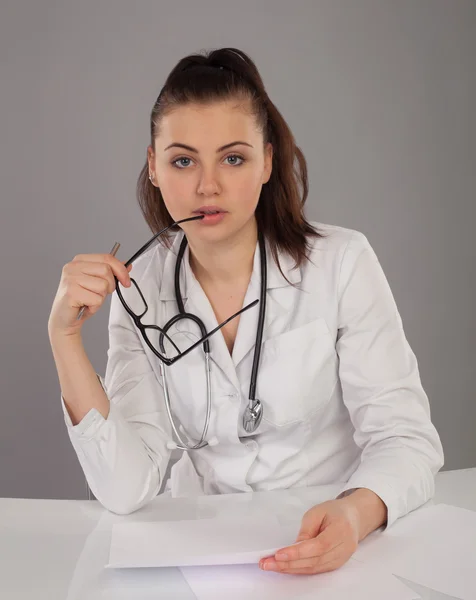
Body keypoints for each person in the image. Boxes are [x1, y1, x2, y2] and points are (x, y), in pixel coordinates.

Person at [48, 47, 444, 576]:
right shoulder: (138, 287)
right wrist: (63, 338)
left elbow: (407, 440)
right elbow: (124, 488)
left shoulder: (341, 263)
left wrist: (354, 515)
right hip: (203, 554)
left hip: (336, 543)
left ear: (267, 162)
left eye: (233, 158)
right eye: (183, 160)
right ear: (153, 166)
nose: (207, 186)